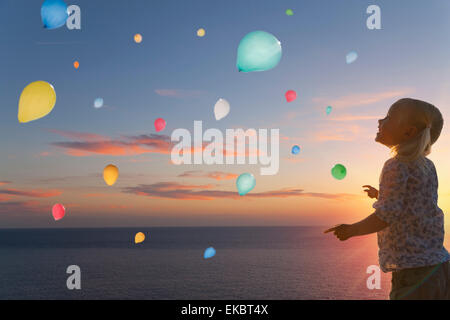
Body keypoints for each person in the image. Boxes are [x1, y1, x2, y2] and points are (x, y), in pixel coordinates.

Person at [325, 98, 450, 299]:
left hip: (413, 273)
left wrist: (350, 230)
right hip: (439, 266)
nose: (379, 120)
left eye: (388, 117)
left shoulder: (395, 165)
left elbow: (386, 216)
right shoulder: (427, 166)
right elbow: (415, 202)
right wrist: (381, 194)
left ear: (408, 132)